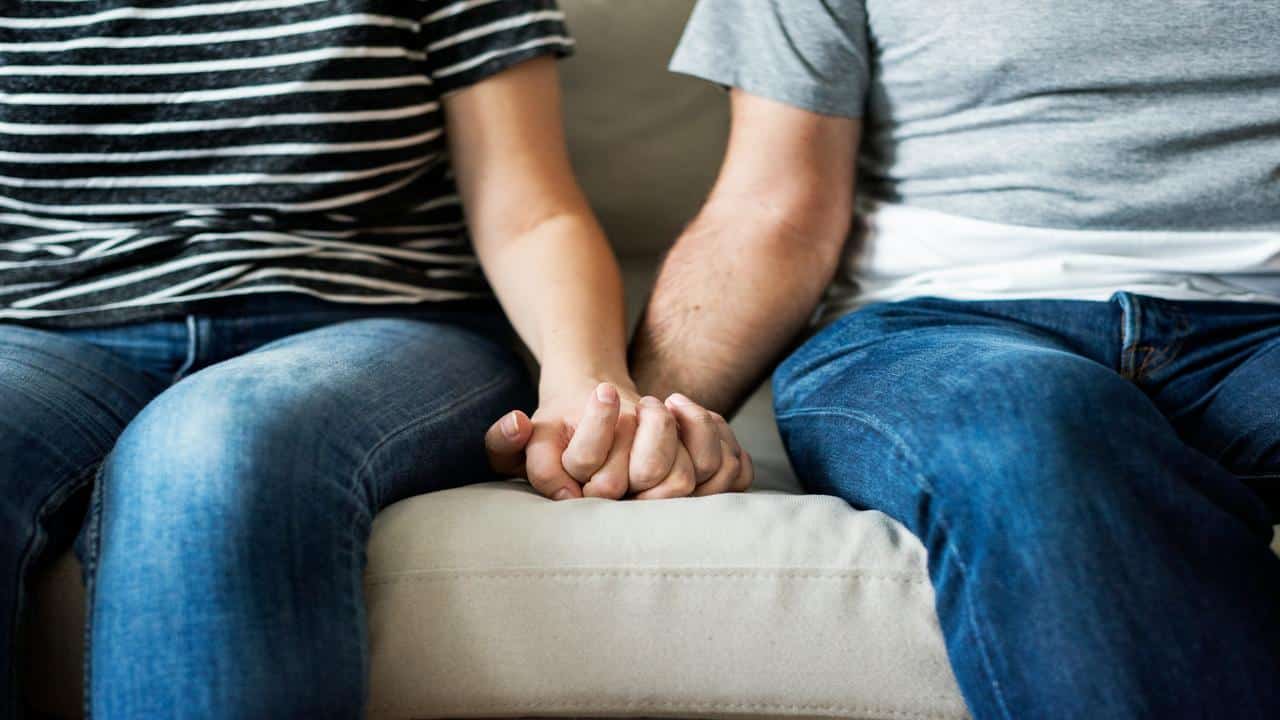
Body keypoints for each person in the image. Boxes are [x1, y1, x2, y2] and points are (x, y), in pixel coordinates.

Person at [0, 1, 749, 717]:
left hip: (375, 325)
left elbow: (529, 207)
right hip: (43, 329)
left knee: (220, 441)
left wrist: (586, 382)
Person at [596, 0, 1280, 717]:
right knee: (1026, 420)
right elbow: (772, 208)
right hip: (936, 328)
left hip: (1260, 329)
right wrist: (644, 422)